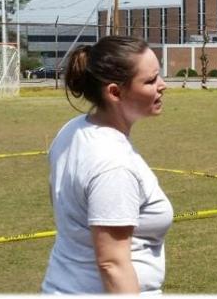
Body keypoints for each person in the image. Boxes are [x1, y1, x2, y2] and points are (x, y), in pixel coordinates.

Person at [42, 36, 172, 294]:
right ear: (114, 92)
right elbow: (113, 264)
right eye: (150, 80)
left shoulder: (73, 129)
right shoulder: (113, 165)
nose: (163, 85)